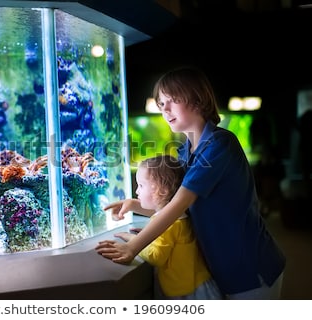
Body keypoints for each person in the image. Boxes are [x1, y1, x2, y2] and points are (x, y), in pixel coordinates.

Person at [96, 66, 286, 299]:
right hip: (219, 268)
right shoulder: (184, 153)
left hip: (251, 267)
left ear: (197, 99)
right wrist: (133, 205)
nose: (164, 109)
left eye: (172, 100)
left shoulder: (219, 144)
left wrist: (133, 247)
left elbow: (179, 204)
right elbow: (179, 207)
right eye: (161, 103)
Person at [116, 154, 222, 299]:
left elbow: (156, 257)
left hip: (190, 293)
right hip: (195, 284)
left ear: (162, 191)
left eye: (141, 185)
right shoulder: (177, 216)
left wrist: (132, 239)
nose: (137, 191)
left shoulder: (169, 223)